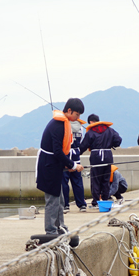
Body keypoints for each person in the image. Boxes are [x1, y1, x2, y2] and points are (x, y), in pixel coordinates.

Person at [36, 98, 85, 234]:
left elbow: (58, 153)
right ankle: (51, 230)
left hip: (54, 164)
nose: (77, 118)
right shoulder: (58, 125)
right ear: (69, 111)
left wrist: (67, 166)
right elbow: (57, 152)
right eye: (77, 114)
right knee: (52, 200)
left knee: (60, 199)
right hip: (48, 165)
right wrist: (73, 165)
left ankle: (59, 226)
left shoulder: (62, 123)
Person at [79, 114, 122, 208]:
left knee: (96, 179)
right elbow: (118, 140)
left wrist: (77, 154)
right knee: (105, 179)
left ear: (90, 122)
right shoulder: (110, 130)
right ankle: (105, 200)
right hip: (107, 156)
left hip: (96, 157)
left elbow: (83, 146)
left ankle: (96, 202)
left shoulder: (90, 132)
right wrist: (111, 144)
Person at [62, 119, 88, 213]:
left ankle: (65, 205)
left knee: (64, 182)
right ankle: (81, 204)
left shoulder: (65, 126)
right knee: (77, 182)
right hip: (76, 155)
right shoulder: (80, 127)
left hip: (66, 155)